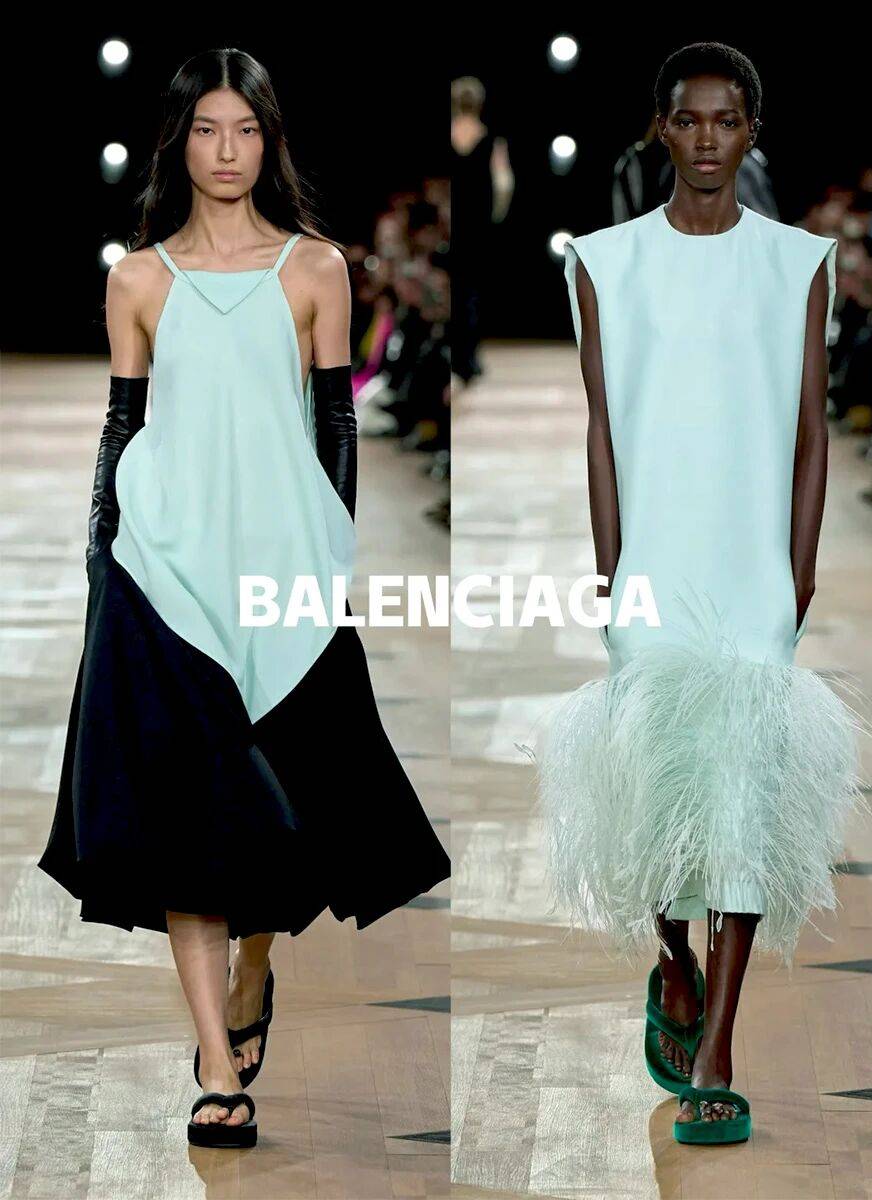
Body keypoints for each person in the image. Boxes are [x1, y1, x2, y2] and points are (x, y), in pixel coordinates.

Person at [37, 48, 450, 1150]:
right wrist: (101, 555)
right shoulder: (139, 278)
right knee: (184, 814)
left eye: (247, 130)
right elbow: (123, 424)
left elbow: (337, 419)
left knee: (288, 805)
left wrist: (329, 553)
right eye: (208, 130)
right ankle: (216, 1064)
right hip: (163, 567)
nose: (228, 152)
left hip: (278, 569)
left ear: (271, 140)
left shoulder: (315, 268)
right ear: (180, 141)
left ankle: (257, 961)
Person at [533, 42, 865, 1146]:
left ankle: (717, 1052)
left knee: (741, 796)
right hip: (653, 562)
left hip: (753, 564)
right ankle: (671, 958)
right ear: (662, 130)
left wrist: (798, 568)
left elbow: (812, 429)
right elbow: (602, 425)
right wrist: (610, 563)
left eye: (729, 119)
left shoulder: (798, 262)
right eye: (690, 119)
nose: (710, 137)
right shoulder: (604, 261)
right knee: (655, 786)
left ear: (752, 132)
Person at [450, 76, 513, 383]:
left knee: (452, 288)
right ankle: (469, 358)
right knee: (471, 289)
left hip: (451, 222)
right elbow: (503, 183)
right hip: (476, 223)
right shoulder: (491, 140)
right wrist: (495, 216)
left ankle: (454, 355)